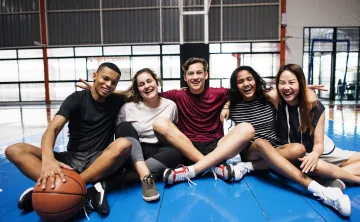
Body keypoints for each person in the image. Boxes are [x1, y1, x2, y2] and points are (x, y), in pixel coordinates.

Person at [5, 62, 136, 215]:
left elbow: (134, 92)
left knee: (124, 144)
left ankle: (59, 188)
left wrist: (106, 89)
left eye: (113, 83)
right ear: (94, 76)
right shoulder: (76, 99)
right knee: (14, 150)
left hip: (100, 159)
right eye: (105, 78)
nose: (108, 84)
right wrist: (48, 159)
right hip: (71, 159)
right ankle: (64, 187)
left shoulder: (115, 100)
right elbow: (53, 129)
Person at [220, 65, 351, 216]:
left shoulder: (268, 97)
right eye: (240, 81)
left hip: (276, 148)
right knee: (262, 143)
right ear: (236, 86)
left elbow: (287, 89)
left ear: (255, 80)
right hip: (252, 149)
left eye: (249, 79)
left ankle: (247, 167)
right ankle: (321, 190)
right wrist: (226, 105)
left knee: (299, 149)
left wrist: (306, 89)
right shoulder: (234, 105)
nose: (246, 84)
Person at [153, 57, 255, 185]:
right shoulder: (177, 95)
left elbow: (239, 92)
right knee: (159, 123)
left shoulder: (217, 93)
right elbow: (150, 94)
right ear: (185, 78)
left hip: (216, 147)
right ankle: (214, 168)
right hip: (188, 146)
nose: (195, 77)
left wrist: (227, 105)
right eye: (191, 73)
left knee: (247, 129)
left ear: (206, 75)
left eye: (199, 72)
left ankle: (192, 170)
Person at [276, 64, 360, 184]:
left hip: (321, 151)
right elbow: (264, 92)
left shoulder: (315, 106)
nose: (286, 87)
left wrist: (315, 155)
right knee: (318, 168)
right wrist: (305, 88)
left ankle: (334, 175)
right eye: (282, 83)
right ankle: (334, 173)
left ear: (300, 83)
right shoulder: (276, 103)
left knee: (319, 167)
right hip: (301, 155)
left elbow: (319, 144)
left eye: (292, 82)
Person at [115, 68, 182, 202]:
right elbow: (120, 134)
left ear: (157, 83)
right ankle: (147, 176)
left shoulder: (171, 106)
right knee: (124, 127)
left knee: (176, 152)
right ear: (138, 89)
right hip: (135, 151)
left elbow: (172, 131)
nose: (146, 86)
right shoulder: (128, 108)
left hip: (158, 151)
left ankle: (127, 177)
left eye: (149, 81)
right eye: (141, 84)